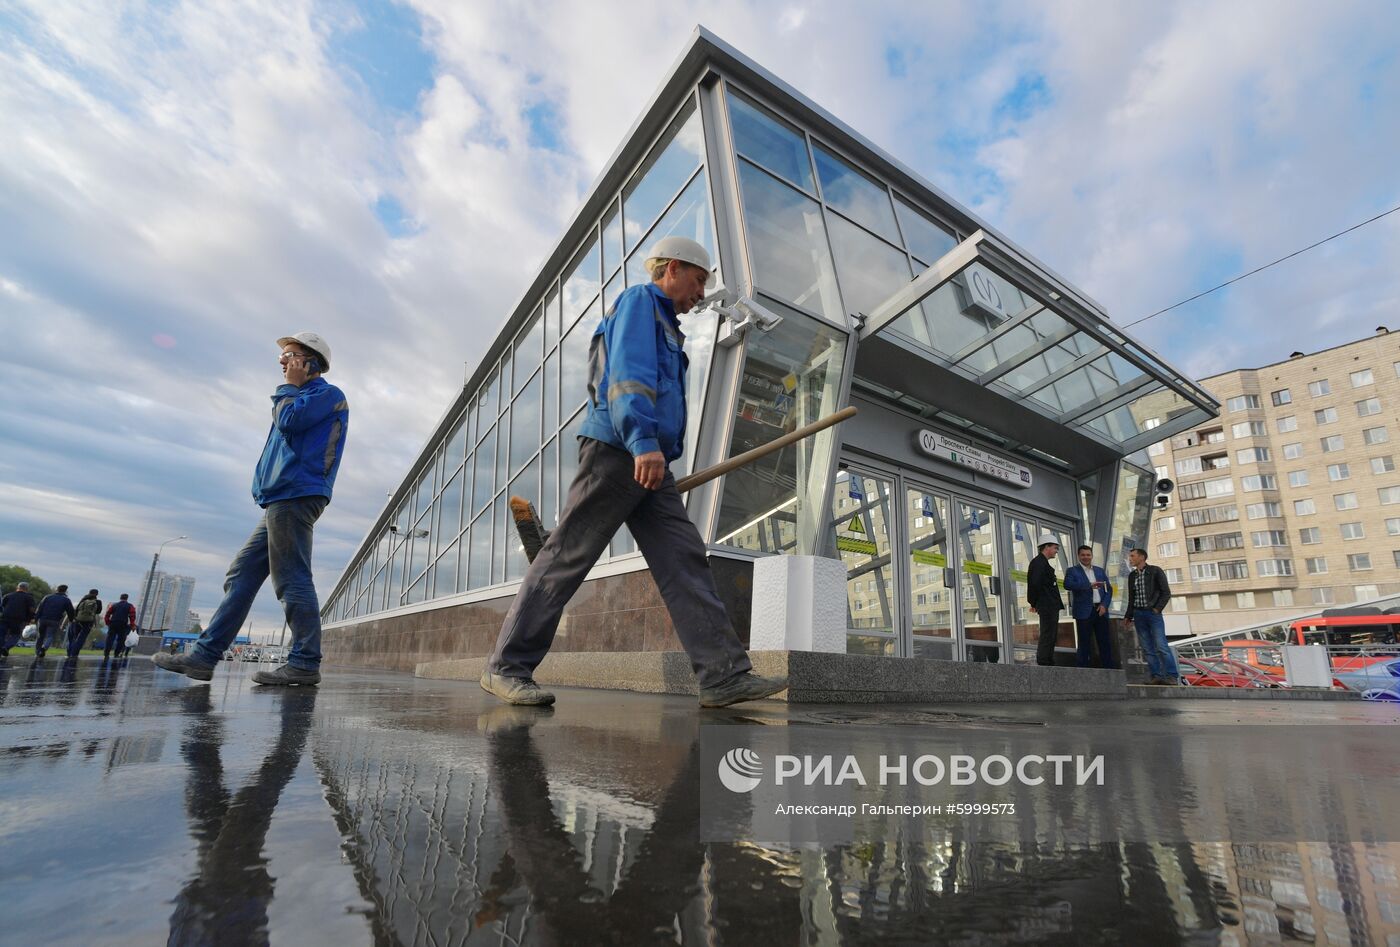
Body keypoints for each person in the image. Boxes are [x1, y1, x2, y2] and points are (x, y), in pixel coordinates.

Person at [481, 237, 786, 708]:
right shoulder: (641, 302)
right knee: (567, 557)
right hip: (620, 448)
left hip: (650, 459)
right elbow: (629, 374)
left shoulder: (670, 325)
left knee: (684, 559)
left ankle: (723, 676)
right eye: (698, 280)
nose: (700, 294)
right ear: (672, 270)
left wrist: (655, 449)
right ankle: (506, 668)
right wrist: (642, 442)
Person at [154, 332, 348, 686]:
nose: (282, 361)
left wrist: (289, 387)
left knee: (291, 577)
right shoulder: (296, 397)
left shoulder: (325, 395)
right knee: (241, 573)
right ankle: (203, 657)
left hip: (296, 494)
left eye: (290, 355)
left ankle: (305, 662)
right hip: (281, 496)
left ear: (312, 362)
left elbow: (289, 424)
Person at [1124, 548, 1178, 684]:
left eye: (1132, 556)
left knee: (1161, 645)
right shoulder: (1132, 576)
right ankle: (1156, 676)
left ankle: (1171, 676)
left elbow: (1166, 592)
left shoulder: (1155, 571)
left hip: (1153, 614)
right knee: (1147, 648)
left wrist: (1157, 609)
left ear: (1141, 557)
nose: (1130, 558)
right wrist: (1128, 616)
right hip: (1139, 614)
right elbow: (1132, 598)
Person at [1063, 546, 1117, 669]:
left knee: (1104, 641)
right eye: (1083, 555)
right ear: (1078, 556)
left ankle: (1109, 670)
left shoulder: (1099, 571)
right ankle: (1083, 670)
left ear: (1092, 556)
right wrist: (1088, 585)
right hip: (1084, 611)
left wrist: (1104, 605)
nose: (1086, 557)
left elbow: (1108, 589)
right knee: (1084, 642)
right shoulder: (1072, 571)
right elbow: (1067, 584)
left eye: (1088, 555)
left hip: (1100, 610)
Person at [1026, 535, 1064, 666]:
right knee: (1048, 634)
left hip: (1049, 604)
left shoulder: (1041, 562)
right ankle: (1044, 661)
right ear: (1046, 547)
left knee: (1051, 634)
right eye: (1055, 548)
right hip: (1047, 604)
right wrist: (1033, 602)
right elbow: (1034, 584)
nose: (1056, 551)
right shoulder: (1039, 563)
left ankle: (1047, 659)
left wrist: (1034, 602)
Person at [33, 584, 76, 659]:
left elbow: (40, 608)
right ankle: (44, 648)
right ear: (65, 591)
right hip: (54, 620)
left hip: (43, 619)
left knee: (40, 636)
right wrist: (71, 620)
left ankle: (37, 652)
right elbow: (70, 612)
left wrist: (35, 618)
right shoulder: (66, 600)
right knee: (50, 636)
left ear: (57, 589)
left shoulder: (47, 597)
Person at [1, 581, 38, 658]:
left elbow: (2, 606)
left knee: (2, 634)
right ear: (26, 589)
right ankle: (6, 647)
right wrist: (30, 619)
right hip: (18, 620)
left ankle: (2, 647)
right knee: (16, 635)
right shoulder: (29, 598)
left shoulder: (8, 596)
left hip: (5, 617)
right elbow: (31, 610)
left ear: (17, 587)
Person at [67, 589, 103, 658]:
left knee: (74, 637)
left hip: (78, 620)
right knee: (81, 638)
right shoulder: (98, 602)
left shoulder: (83, 599)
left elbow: (77, 609)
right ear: (97, 594)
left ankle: (69, 653)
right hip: (89, 622)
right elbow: (98, 612)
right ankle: (74, 654)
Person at [104, 593, 138, 659]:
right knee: (121, 640)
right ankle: (116, 653)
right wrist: (132, 625)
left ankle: (106, 653)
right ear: (127, 598)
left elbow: (107, 614)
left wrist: (107, 622)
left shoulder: (114, 605)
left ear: (120, 598)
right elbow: (132, 615)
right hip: (123, 624)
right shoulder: (130, 606)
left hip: (113, 623)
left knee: (110, 639)